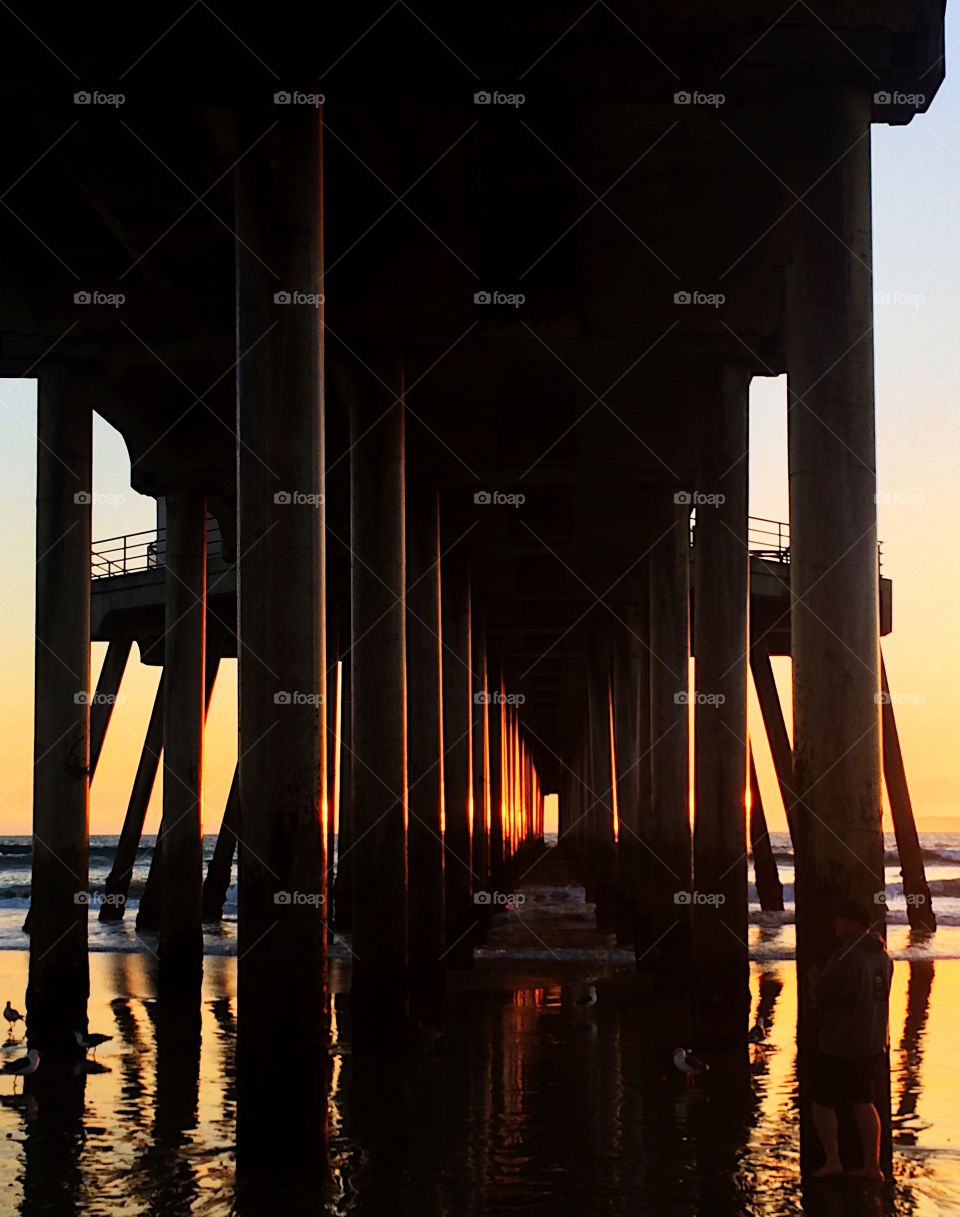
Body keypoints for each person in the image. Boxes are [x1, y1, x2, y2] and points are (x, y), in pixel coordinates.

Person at [809, 899, 893, 1181]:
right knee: (862, 1101)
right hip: (873, 1039)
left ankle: (833, 1160)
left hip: (841, 1043)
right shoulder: (883, 956)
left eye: (839, 919)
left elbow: (824, 995)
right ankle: (873, 1166)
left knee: (822, 1101)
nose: (834, 923)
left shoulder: (848, 957)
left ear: (853, 923)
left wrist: (813, 981)